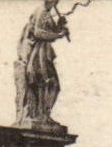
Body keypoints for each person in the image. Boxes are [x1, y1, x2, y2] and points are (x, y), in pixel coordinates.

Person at [14, 0, 69, 128]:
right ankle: (41, 115)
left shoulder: (47, 13)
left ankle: (44, 115)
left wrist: (60, 26)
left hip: (45, 54)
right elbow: (38, 32)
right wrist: (58, 35)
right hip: (37, 55)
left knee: (52, 85)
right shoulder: (41, 11)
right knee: (47, 83)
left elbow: (50, 29)